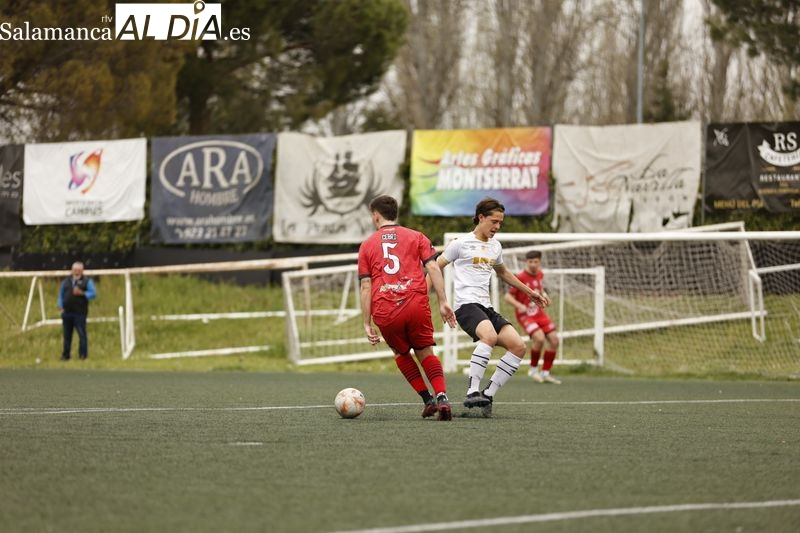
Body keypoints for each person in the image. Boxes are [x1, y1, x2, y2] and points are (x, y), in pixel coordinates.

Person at [437, 197, 549, 417]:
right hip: (466, 305)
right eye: (494, 221)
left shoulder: (495, 246)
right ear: (481, 217)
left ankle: (488, 395)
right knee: (488, 336)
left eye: (500, 223)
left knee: (518, 346)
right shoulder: (460, 243)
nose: (497, 227)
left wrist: (530, 292)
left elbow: (504, 273)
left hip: (485, 306)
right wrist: (434, 299)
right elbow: (435, 267)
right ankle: (472, 392)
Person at [358, 195, 458, 421]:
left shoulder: (367, 245)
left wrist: (367, 322)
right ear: (396, 214)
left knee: (401, 352)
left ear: (375, 216)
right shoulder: (417, 237)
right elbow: (433, 267)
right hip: (415, 303)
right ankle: (442, 397)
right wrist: (443, 301)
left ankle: (427, 400)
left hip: (385, 307)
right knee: (425, 351)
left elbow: (366, 285)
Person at [505, 250, 562, 384]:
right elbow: (507, 297)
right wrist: (520, 306)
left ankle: (545, 373)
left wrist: (545, 297)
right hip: (526, 315)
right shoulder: (520, 277)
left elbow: (540, 290)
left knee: (554, 340)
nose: (533, 264)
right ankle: (533, 370)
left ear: (539, 262)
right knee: (539, 338)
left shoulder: (540, 275)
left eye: (535, 262)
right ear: (526, 262)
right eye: (530, 262)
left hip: (539, 314)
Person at [57, 261, 97, 361]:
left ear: (82, 271)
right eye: (75, 270)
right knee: (67, 335)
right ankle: (66, 355)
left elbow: (93, 294)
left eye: (79, 270)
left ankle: (83, 355)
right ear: (72, 270)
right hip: (67, 312)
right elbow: (60, 295)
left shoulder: (87, 281)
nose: (76, 272)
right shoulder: (66, 281)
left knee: (81, 334)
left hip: (80, 312)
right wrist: (60, 306)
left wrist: (82, 293)